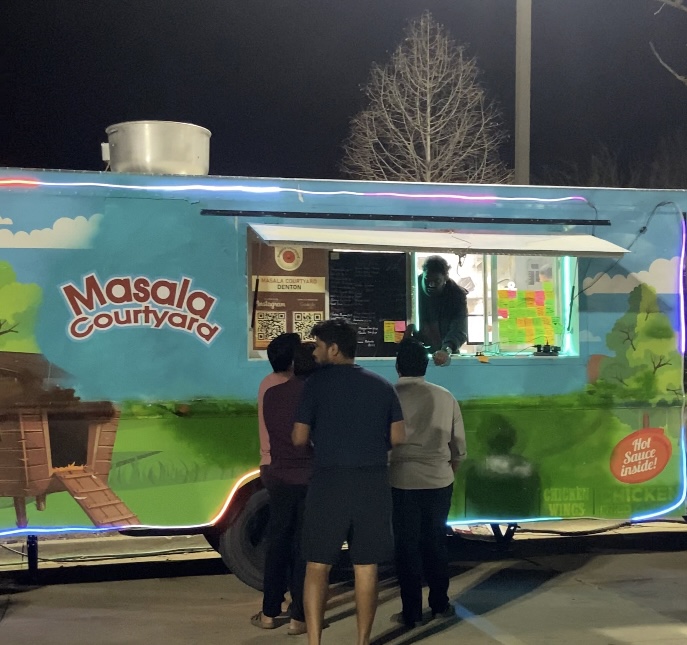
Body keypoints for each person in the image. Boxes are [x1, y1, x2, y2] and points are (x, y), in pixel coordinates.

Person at [292, 318, 406, 645]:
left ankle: (315, 641)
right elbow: (398, 437)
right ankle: (362, 641)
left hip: (329, 481)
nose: (314, 353)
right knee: (366, 567)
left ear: (333, 349)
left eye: (317, 346)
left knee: (317, 565)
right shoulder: (382, 385)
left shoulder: (314, 385)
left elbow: (299, 437)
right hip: (372, 482)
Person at [389, 338, 467, 628]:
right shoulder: (445, 396)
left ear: (397, 366)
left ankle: (411, 613)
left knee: (406, 547)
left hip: (400, 481)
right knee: (436, 543)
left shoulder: (389, 396)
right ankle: (439, 605)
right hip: (438, 481)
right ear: (425, 366)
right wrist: (446, 473)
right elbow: (459, 447)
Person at [251, 342, 318, 636]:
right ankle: (298, 618)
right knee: (303, 546)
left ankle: (269, 612)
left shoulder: (271, 393)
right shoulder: (315, 395)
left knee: (278, 542)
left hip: (277, 475)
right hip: (308, 477)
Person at [258, 333, 301, 482]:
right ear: (293, 360)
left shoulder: (267, 382)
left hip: (269, 464)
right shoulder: (292, 386)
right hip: (289, 466)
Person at [413, 255, 468, 366]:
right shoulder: (411, 288)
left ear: (445, 278)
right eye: (427, 280)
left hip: (446, 350)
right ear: (423, 275)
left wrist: (447, 349)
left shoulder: (456, 295)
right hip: (417, 352)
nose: (431, 285)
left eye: (436, 281)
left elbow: (459, 328)